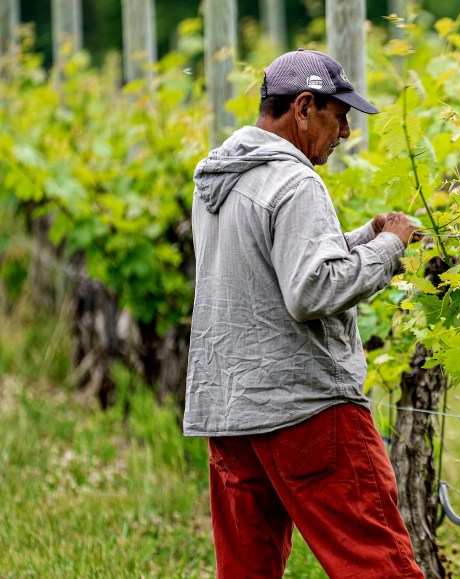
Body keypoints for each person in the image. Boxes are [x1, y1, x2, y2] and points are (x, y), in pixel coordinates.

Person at [183, 48, 424, 578]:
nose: (343, 134)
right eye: (340, 118)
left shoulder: (219, 181)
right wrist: (390, 249)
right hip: (306, 409)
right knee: (378, 566)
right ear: (305, 106)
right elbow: (310, 291)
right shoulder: (296, 182)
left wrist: (365, 237)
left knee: (248, 570)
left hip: (230, 410)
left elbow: (271, 267)